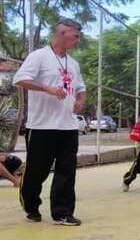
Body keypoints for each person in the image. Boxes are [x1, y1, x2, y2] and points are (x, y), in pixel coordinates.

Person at [13, 18, 86, 226]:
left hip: (68, 126)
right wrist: (47, 88)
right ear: (62, 33)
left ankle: (62, 213)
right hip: (41, 126)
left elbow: (81, 88)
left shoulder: (73, 63)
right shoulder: (39, 56)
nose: (78, 40)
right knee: (37, 171)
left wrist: (80, 101)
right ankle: (30, 205)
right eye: (76, 36)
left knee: (67, 170)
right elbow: (20, 79)